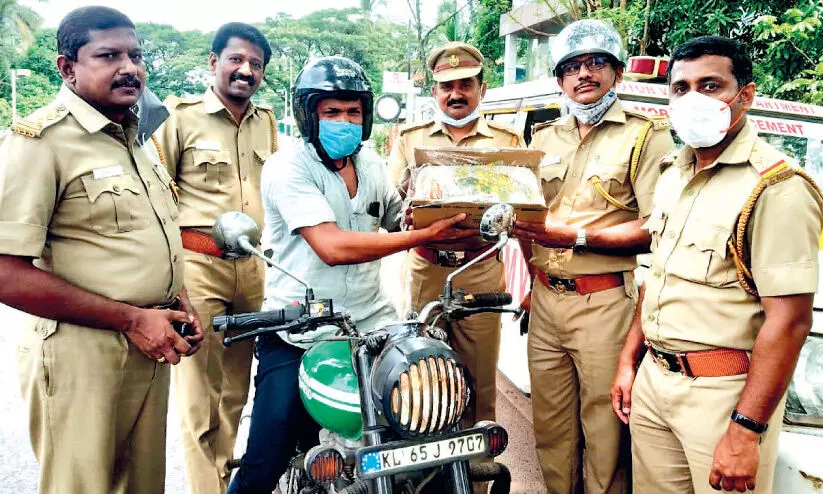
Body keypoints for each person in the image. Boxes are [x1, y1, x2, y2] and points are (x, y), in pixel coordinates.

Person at [227, 56, 475, 493]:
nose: (344, 121)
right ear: (309, 115)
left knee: (420, 432)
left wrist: (446, 217)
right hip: (300, 330)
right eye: (332, 112)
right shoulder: (288, 167)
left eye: (353, 112)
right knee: (266, 457)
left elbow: (399, 219)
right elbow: (332, 246)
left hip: (372, 326)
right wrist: (424, 236)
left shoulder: (372, 165)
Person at [0, 6, 204, 493]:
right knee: (83, 486)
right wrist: (131, 319)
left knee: (142, 485)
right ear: (67, 68)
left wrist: (178, 300)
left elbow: (143, 237)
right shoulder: (40, 142)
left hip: (150, 343)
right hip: (82, 352)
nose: (129, 67)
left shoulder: (136, 139)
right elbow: (5, 272)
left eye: (136, 55)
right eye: (108, 56)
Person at [610, 35, 823, 494]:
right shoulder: (673, 173)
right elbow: (658, 276)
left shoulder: (777, 188)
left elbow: (789, 321)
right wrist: (629, 361)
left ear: (745, 95)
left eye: (710, 86)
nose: (693, 99)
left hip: (723, 395)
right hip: (654, 382)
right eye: (681, 88)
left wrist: (746, 429)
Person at [511, 19, 674, 494]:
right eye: (572, 66)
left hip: (603, 304)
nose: (584, 73)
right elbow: (526, 218)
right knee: (551, 428)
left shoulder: (647, 136)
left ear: (617, 73)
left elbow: (655, 227)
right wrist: (532, 283)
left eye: (596, 62)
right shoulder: (543, 138)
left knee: (605, 433)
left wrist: (577, 238)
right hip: (546, 303)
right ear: (559, 80)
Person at [153, 22, 277, 494]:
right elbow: (157, 198)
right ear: (214, 62)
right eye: (236, 59)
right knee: (199, 397)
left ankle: (223, 478)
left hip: (251, 269)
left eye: (256, 64)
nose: (246, 71)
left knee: (234, 392)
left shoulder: (266, 121)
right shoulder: (179, 117)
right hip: (199, 267)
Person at [388, 41, 524, 441]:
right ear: (434, 92)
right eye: (447, 86)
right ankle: (426, 465)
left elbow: (520, 207)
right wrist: (409, 214)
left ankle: (475, 469)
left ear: (482, 89)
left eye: (466, 84)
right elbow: (394, 208)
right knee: (420, 375)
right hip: (425, 269)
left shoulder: (507, 142)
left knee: (479, 383)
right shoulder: (410, 140)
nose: (456, 94)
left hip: (480, 269)